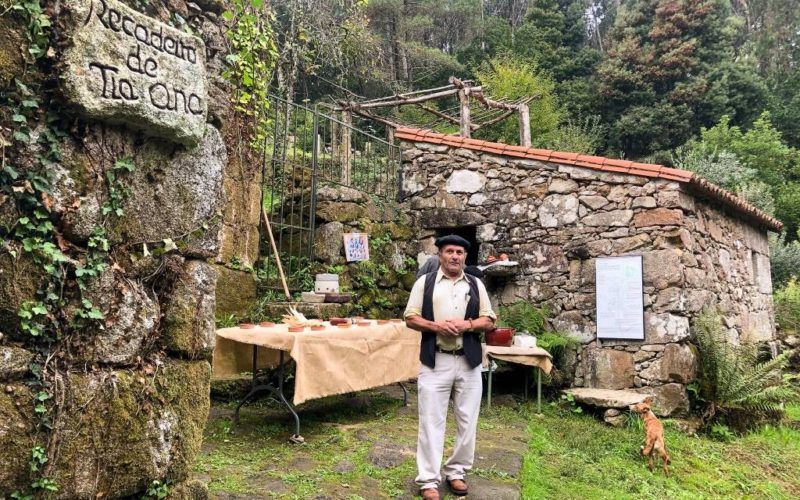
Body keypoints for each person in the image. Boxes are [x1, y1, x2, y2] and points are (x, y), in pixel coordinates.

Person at [404, 234, 496, 499]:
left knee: (468, 420)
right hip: (436, 360)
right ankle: (429, 480)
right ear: (440, 255)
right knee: (431, 421)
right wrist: (436, 326)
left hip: (468, 362)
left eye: (459, 252)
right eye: (449, 252)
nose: (455, 256)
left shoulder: (476, 284)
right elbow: (410, 317)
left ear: (465, 256)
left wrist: (468, 325)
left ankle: (456, 472)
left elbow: (488, 319)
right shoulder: (426, 282)